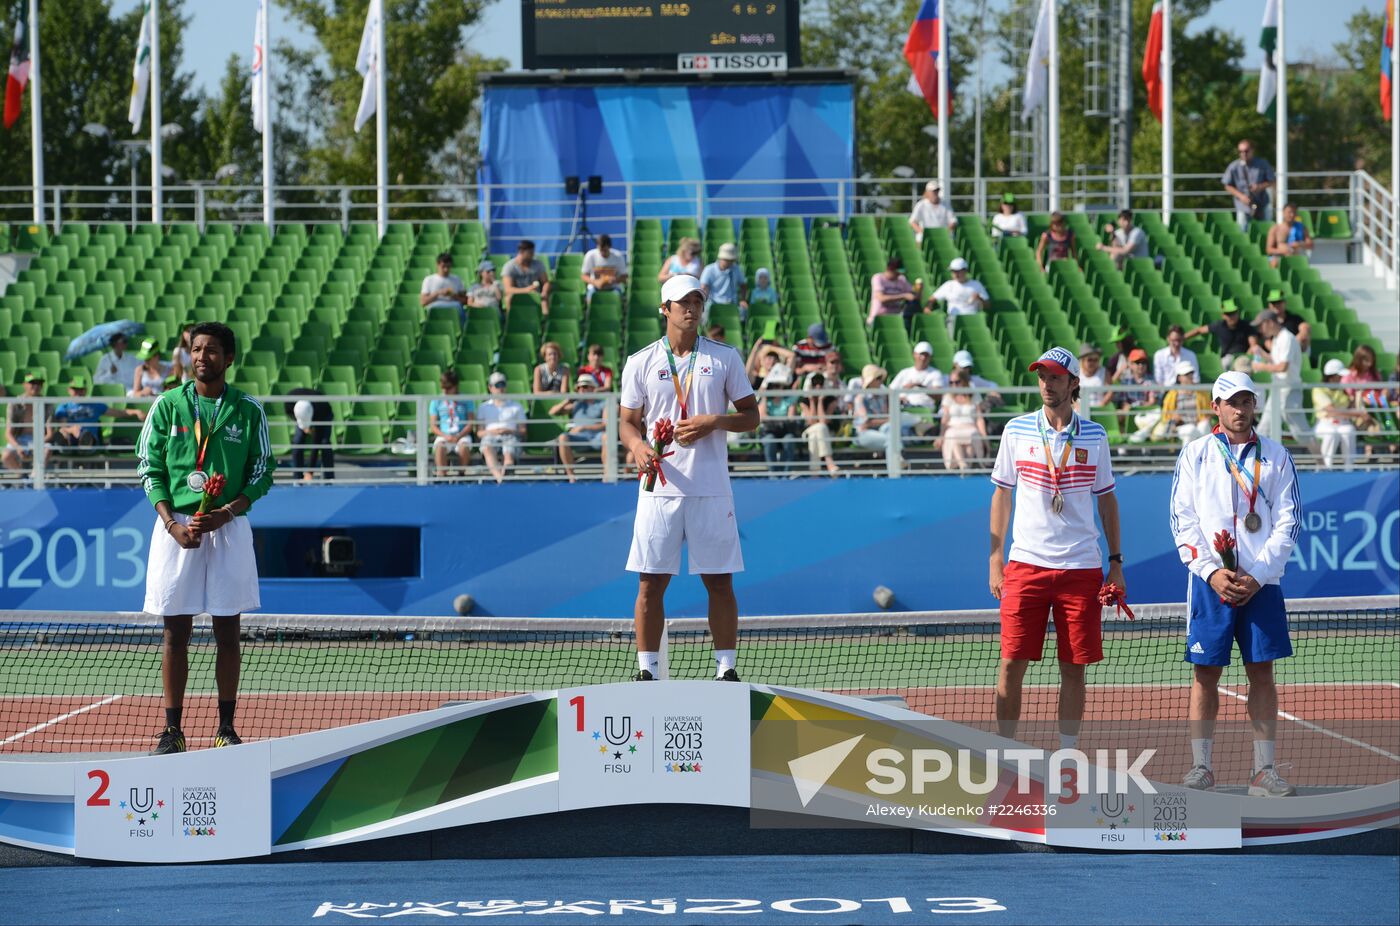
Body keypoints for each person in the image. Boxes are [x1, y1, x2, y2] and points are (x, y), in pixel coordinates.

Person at [135, 322, 276, 755]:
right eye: (196, 349)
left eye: (212, 350)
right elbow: (148, 466)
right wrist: (170, 523)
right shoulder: (166, 405)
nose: (201, 356)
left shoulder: (249, 410)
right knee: (175, 634)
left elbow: (262, 472)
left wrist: (227, 512)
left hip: (228, 526)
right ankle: (172, 730)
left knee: (227, 632)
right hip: (175, 528)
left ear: (229, 358)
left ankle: (226, 728)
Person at [619, 273, 759, 681]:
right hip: (658, 491)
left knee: (719, 583)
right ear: (665, 309)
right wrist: (637, 446)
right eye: (683, 303)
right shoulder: (640, 361)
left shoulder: (724, 357)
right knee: (650, 584)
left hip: (712, 491)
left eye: (697, 301)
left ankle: (726, 670)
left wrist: (714, 421)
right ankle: (647, 671)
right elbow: (628, 423)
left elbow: (751, 416)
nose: (692, 309)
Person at [1170, 371, 1300, 797]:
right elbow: (1182, 521)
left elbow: (1288, 522)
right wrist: (1210, 571)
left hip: (1262, 585)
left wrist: (1259, 575)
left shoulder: (1277, 456)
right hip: (1210, 584)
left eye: (1246, 401)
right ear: (1216, 407)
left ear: (1254, 405)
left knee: (1262, 673)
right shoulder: (1195, 454)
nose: (1240, 410)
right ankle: (1201, 768)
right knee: (1205, 674)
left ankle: (1264, 772)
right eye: (1231, 402)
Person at [989, 346, 1123, 754]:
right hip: (1026, 564)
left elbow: (1107, 500)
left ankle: (1067, 755)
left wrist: (1116, 563)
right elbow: (1002, 495)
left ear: (1073, 383)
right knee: (1012, 663)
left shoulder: (1096, 436)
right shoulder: (1016, 430)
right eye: (1042, 377)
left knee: (1074, 668)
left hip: (1081, 568)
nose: (1047, 384)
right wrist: (996, 559)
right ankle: (1006, 753)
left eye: (1056, 377)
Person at [1249, 309, 1314, 450]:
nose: (1259, 330)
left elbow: (1283, 367)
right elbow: (1276, 361)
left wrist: (1261, 365)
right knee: (1264, 429)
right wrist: (1263, 354)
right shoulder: (1279, 338)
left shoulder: (1287, 338)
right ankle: (1255, 464)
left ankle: (1323, 464)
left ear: (1269, 322)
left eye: (1261, 325)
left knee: (1301, 432)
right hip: (1279, 389)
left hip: (1289, 390)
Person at [48, 372, 140, 457]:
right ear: (69, 390)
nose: (79, 393)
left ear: (85, 390)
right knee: (63, 432)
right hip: (70, 437)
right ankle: (65, 446)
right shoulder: (64, 407)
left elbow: (119, 413)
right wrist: (73, 430)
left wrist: (136, 412)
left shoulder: (95, 405)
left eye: (81, 390)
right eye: (75, 389)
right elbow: (63, 425)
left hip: (90, 438)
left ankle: (85, 445)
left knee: (86, 434)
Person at [554, 374, 608, 483]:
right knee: (563, 437)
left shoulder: (603, 403)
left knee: (607, 437)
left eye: (584, 387)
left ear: (593, 388)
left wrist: (583, 427)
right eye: (579, 388)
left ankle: (607, 475)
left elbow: (605, 425)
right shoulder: (577, 404)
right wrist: (568, 400)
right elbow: (553, 412)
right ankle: (571, 477)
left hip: (596, 438)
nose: (581, 390)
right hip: (579, 439)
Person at [1312, 359, 1363, 470]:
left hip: (1343, 423)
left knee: (1349, 431)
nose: (1341, 378)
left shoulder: (1342, 389)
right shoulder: (1319, 389)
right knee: (1331, 434)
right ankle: (1324, 469)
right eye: (1338, 376)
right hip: (1324, 424)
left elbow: (1348, 406)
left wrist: (1355, 400)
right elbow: (1331, 411)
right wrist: (1355, 414)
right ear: (1331, 376)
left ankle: (1349, 468)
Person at [478, 371, 526, 484]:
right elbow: (479, 433)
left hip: (511, 436)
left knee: (508, 452)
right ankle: (502, 480)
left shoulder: (517, 406)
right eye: (497, 385)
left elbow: (523, 431)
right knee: (486, 447)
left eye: (503, 385)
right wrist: (492, 431)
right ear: (490, 387)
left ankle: (503, 479)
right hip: (489, 436)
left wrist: (508, 431)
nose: (501, 388)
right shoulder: (483, 407)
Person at [936, 366, 987, 471]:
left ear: (964, 381)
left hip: (970, 428)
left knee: (973, 435)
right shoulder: (947, 396)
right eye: (951, 382)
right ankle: (963, 465)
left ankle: (965, 467)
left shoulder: (974, 395)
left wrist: (985, 437)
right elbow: (945, 419)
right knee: (952, 435)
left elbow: (979, 418)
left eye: (957, 382)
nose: (954, 385)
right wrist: (941, 435)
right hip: (953, 428)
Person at [1150, 362, 1213, 444]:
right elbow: (1166, 414)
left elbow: (1210, 409)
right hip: (1181, 426)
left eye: (1191, 373)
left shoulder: (1201, 391)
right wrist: (1174, 417)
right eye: (1186, 374)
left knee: (1204, 425)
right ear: (1179, 378)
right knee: (1191, 430)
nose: (1190, 376)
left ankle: (1205, 455)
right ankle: (1188, 456)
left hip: (1198, 423)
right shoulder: (1172, 394)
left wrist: (1207, 416)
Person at [1185, 299, 1254, 372]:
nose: (1232, 316)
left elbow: (1253, 345)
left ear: (1238, 313)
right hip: (1227, 358)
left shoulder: (1246, 326)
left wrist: (1246, 357)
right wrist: (1183, 337)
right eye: (1228, 314)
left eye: (1233, 313)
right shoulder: (1219, 326)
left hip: (1242, 357)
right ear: (1223, 315)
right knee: (1226, 363)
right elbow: (1199, 330)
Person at [1222, 138, 1276, 232]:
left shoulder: (1262, 164)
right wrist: (1241, 196)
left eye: (1246, 151)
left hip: (1261, 202)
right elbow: (1227, 185)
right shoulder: (1234, 166)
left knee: (1266, 230)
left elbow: (1272, 181)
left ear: (1252, 150)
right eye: (1240, 151)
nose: (1243, 154)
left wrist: (1259, 187)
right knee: (1243, 230)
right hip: (1243, 204)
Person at [756, 363, 802, 472]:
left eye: (779, 386)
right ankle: (773, 475)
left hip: (785, 430)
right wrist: (765, 396)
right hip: (769, 431)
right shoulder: (765, 401)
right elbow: (762, 417)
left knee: (789, 440)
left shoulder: (789, 400)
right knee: (770, 440)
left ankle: (786, 474)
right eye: (774, 386)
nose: (777, 389)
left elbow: (790, 418)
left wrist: (772, 419)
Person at [429, 369, 474, 479]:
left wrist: (459, 436)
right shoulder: (436, 401)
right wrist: (445, 436)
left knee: (464, 447)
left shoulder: (467, 400)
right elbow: (433, 426)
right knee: (440, 447)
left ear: (456, 386)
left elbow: (471, 423)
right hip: (444, 435)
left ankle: (462, 475)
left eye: (448, 388)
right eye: (443, 388)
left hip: (462, 434)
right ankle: (441, 476)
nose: (445, 391)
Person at [929, 257, 989, 338]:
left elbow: (988, 306)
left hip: (972, 321)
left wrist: (980, 299)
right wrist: (928, 308)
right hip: (954, 320)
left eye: (958, 271)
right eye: (953, 271)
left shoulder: (976, 285)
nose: (956, 274)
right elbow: (932, 299)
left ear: (965, 271)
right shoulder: (948, 285)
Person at [284, 387, 334, 482]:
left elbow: (316, 443)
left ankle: (329, 480)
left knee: (324, 443)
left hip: (325, 415)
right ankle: (297, 479)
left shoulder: (321, 410)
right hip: (303, 414)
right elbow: (289, 413)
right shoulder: (289, 402)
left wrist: (310, 471)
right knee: (297, 441)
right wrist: (302, 423)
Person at [800, 371, 841, 477]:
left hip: (826, 433)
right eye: (814, 384)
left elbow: (823, 421)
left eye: (820, 383)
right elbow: (812, 421)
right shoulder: (804, 401)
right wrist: (812, 400)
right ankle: (829, 462)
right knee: (819, 428)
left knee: (818, 431)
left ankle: (814, 474)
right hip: (810, 431)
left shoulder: (831, 400)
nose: (818, 386)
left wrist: (821, 400)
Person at [1112, 348, 1159, 438]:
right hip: (1129, 411)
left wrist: (1137, 408)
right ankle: (1123, 442)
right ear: (1131, 364)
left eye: (1143, 362)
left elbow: (1152, 402)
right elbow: (1123, 403)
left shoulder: (1151, 381)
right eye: (1137, 362)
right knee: (1117, 415)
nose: (1141, 365)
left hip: (1145, 411)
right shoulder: (1125, 381)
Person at [2, 371, 43, 473]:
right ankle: (24, 477)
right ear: (24, 385)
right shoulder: (14, 403)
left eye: (39, 383)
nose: (36, 386)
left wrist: (37, 444)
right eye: (32, 383)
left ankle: (35, 476)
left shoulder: (46, 404)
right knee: (6, 456)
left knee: (47, 450)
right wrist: (18, 447)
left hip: (40, 440)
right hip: (19, 439)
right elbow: (8, 433)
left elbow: (50, 432)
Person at [890, 341, 946, 413]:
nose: (923, 358)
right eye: (921, 354)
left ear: (930, 357)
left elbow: (938, 396)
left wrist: (919, 386)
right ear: (914, 355)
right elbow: (891, 391)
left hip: (925, 409)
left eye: (926, 355)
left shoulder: (936, 373)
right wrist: (899, 398)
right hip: (905, 409)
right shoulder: (904, 372)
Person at [868, 258, 922, 329]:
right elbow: (881, 298)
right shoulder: (878, 278)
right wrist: (903, 296)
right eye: (896, 272)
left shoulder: (901, 280)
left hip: (896, 320)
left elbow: (914, 296)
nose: (898, 274)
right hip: (879, 318)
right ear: (890, 269)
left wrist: (919, 289)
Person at [501, 240, 551, 316]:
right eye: (530, 253)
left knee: (544, 300)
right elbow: (508, 289)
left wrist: (544, 292)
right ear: (521, 252)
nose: (533, 255)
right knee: (508, 298)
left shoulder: (538, 264)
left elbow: (546, 282)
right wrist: (527, 290)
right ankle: (510, 322)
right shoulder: (509, 266)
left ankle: (544, 322)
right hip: (517, 296)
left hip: (536, 295)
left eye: (533, 252)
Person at [853, 364, 892, 452]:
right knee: (892, 440)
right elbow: (866, 423)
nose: (881, 381)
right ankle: (898, 462)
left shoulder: (883, 397)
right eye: (878, 378)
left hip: (880, 431)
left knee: (891, 433)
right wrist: (889, 420)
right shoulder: (860, 398)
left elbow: (887, 417)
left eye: (881, 377)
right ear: (870, 381)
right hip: (863, 434)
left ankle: (897, 462)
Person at [581, 234, 629, 305]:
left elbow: (624, 276)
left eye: (605, 250)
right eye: (601, 250)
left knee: (618, 297)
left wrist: (615, 280)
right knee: (590, 298)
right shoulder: (590, 255)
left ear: (609, 247)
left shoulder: (618, 256)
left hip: (613, 287)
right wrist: (595, 282)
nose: (602, 253)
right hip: (595, 287)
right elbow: (584, 276)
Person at [699, 242, 747, 312]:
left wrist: (743, 300)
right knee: (705, 311)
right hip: (713, 303)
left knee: (743, 310)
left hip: (733, 303)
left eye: (731, 260)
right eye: (727, 260)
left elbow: (743, 285)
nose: (730, 262)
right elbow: (703, 287)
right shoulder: (709, 269)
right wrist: (704, 301)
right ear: (721, 258)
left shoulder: (736, 269)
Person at [420, 252, 469, 317]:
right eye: (443, 266)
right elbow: (423, 302)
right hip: (435, 305)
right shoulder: (429, 279)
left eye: (448, 267)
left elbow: (465, 301)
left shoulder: (456, 279)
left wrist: (453, 295)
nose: (446, 269)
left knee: (459, 308)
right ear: (437, 265)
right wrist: (438, 293)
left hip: (453, 305)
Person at [1265, 288, 1312, 355]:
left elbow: (1305, 329)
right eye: (1273, 303)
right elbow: (1267, 341)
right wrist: (1279, 351)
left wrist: (1292, 344)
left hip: (1295, 352)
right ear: (1269, 305)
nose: (1276, 305)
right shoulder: (1268, 322)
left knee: (1305, 340)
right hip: (1278, 354)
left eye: (1278, 302)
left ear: (1284, 302)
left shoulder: (1294, 318)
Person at [1265, 203, 1313, 268]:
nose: (1292, 215)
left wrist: (1300, 244)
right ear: (1283, 213)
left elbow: (1310, 245)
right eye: (1289, 212)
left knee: (1303, 262)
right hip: (1280, 257)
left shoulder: (1302, 228)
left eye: (1294, 212)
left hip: (1296, 257)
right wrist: (1283, 251)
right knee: (1274, 261)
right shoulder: (1275, 229)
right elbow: (1269, 250)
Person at [1075, 344, 1107, 411]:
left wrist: (1102, 406)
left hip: (1099, 410)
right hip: (1080, 410)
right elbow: (1070, 393)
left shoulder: (1104, 372)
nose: (1093, 362)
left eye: (1096, 360)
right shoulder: (1076, 373)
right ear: (1083, 361)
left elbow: (1110, 391)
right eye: (1090, 360)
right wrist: (1077, 406)